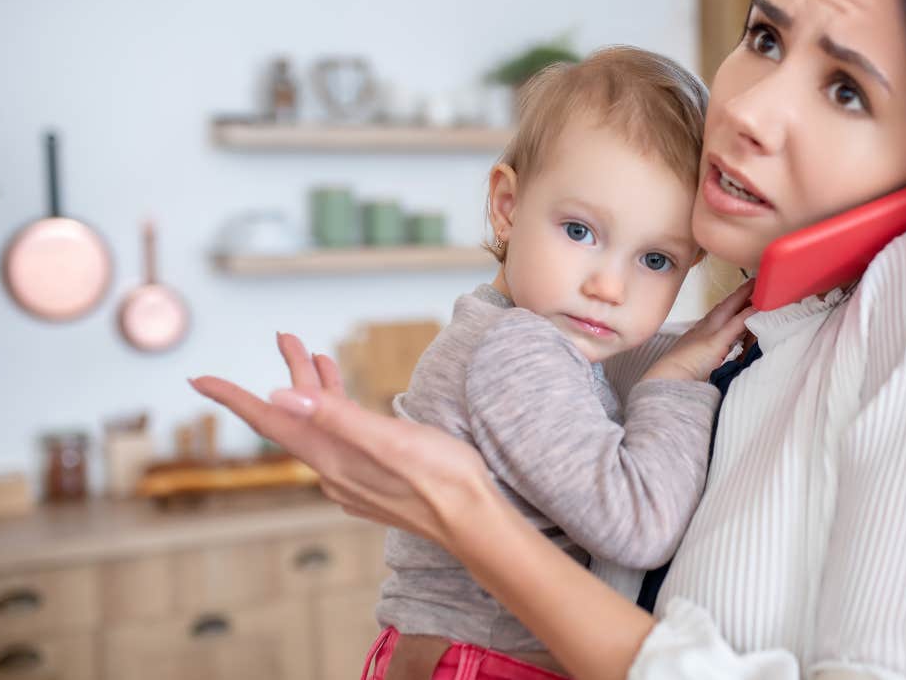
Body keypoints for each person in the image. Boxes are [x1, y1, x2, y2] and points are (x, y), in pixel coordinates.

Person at [192, 0, 906, 677]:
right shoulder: (768, 328)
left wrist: (465, 518)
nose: (746, 110)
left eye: (847, 91)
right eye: (766, 38)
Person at [313, 46, 755, 680]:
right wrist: (678, 380)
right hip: (485, 661)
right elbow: (637, 525)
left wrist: (695, 345)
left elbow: (611, 367)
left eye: (655, 261)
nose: (610, 287)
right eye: (580, 231)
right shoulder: (517, 349)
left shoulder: (511, 329)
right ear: (508, 205)